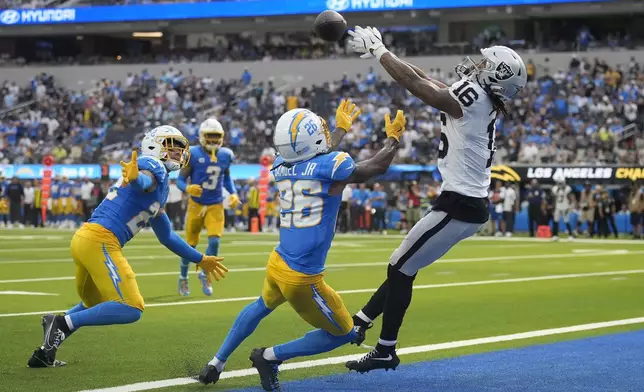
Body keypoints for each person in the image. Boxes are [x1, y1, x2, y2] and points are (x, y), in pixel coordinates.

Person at [346, 26, 527, 372]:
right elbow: (424, 77)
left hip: (459, 203)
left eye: (484, 64)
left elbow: (421, 88)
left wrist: (381, 53)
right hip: (469, 205)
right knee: (405, 266)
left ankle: (385, 349)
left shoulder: (473, 99)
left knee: (399, 266)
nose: (476, 66)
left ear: (495, 74)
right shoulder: (484, 99)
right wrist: (380, 52)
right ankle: (362, 320)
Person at [198, 100, 406, 391]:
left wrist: (341, 129)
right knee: (345, 333)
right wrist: (393, 139)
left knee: (261, 306)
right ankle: (270, 357)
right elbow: (376, 166)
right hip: (302, 276)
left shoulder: (282, 165)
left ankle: (216, 362)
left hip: (279, 259)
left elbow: (311, 150)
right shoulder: (331, 165)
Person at [27, 125, 227, 369]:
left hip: (85, 239)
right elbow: (144, 181)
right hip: (101, 240)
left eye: (179, 150)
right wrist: (136, 178)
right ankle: (59, 324)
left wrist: (199, 258)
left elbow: (167, 236)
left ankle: (44, 352)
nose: (178, 153)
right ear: (155, 145)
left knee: (92, 305)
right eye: (172, 148)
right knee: (132, 307)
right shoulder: (154, 168)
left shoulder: (160, 187)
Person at [176, 119, 240, 297]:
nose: (212, 141)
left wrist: (233, 193)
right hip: (196, 205)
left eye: (216, 137)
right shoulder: (193, 154)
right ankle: (183, 277)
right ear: (202, 137)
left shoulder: (226, 155)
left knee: (215, 241)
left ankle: (204, 273)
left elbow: (226, 177)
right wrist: (187, 188)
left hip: (215, 204)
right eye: (209, 137)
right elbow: (180, 180)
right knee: (190, 245)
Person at [551, 172, 574, 241]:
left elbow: (570, 197)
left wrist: (570, 206)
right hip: (558, 207)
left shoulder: (567, 188)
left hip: (565, 206)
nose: (560, 184)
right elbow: (554, 198)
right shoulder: (555, 188)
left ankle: (570, 235)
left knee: (567, 221)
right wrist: (553, 207)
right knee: (555, 221)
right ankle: (555, 235)